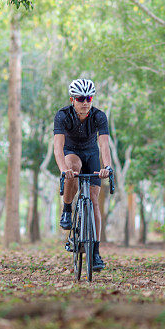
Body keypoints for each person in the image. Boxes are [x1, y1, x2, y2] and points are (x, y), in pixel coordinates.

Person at [53, 78, 112, 270]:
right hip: (71, 153)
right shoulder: (63, 115)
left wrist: (107, 167)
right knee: (73, 166)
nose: (85, 102)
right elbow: (58, 147)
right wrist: (63, 169)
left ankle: (95, 253)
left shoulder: (99, 116)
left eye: (88, 98)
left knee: (94, 201)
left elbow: (104, 144)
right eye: (80, 99)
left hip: (91, 155)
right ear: (72, 100)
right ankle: (67, 209)